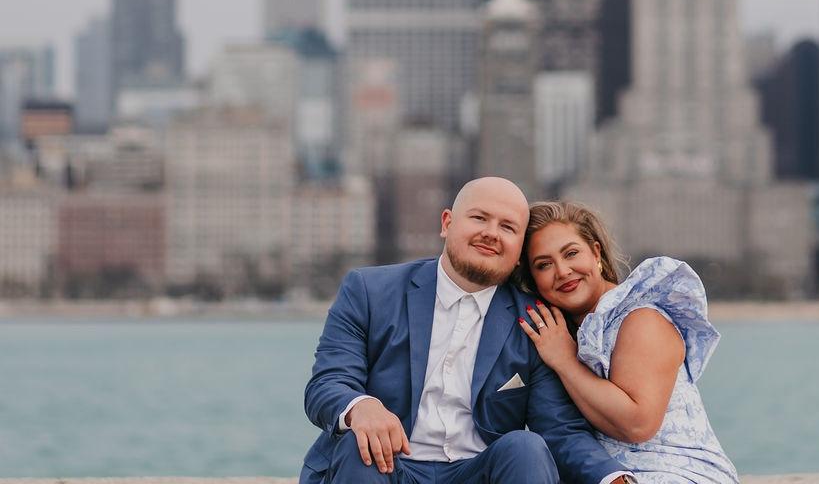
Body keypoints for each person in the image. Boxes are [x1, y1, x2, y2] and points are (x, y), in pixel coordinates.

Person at [300, 177, 635, 484]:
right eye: (479, 218)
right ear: (447, 223)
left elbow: (559, 429)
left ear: (519, 252)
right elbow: (328, 382)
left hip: (478, 471)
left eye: (507, 227)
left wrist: (612, 478)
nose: (491, 232)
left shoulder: (535, 320)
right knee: (360, 446)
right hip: (387, 466)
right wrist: (360, 407)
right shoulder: (369, 291)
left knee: (526, 447)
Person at [517, 200, 740, 484]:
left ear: (596, 253)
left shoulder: (640, 319)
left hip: (679, 474)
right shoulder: (558, 335)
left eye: (571, 253)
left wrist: (565, 360)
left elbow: (638, 424)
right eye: (544, 265)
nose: (562, 271)